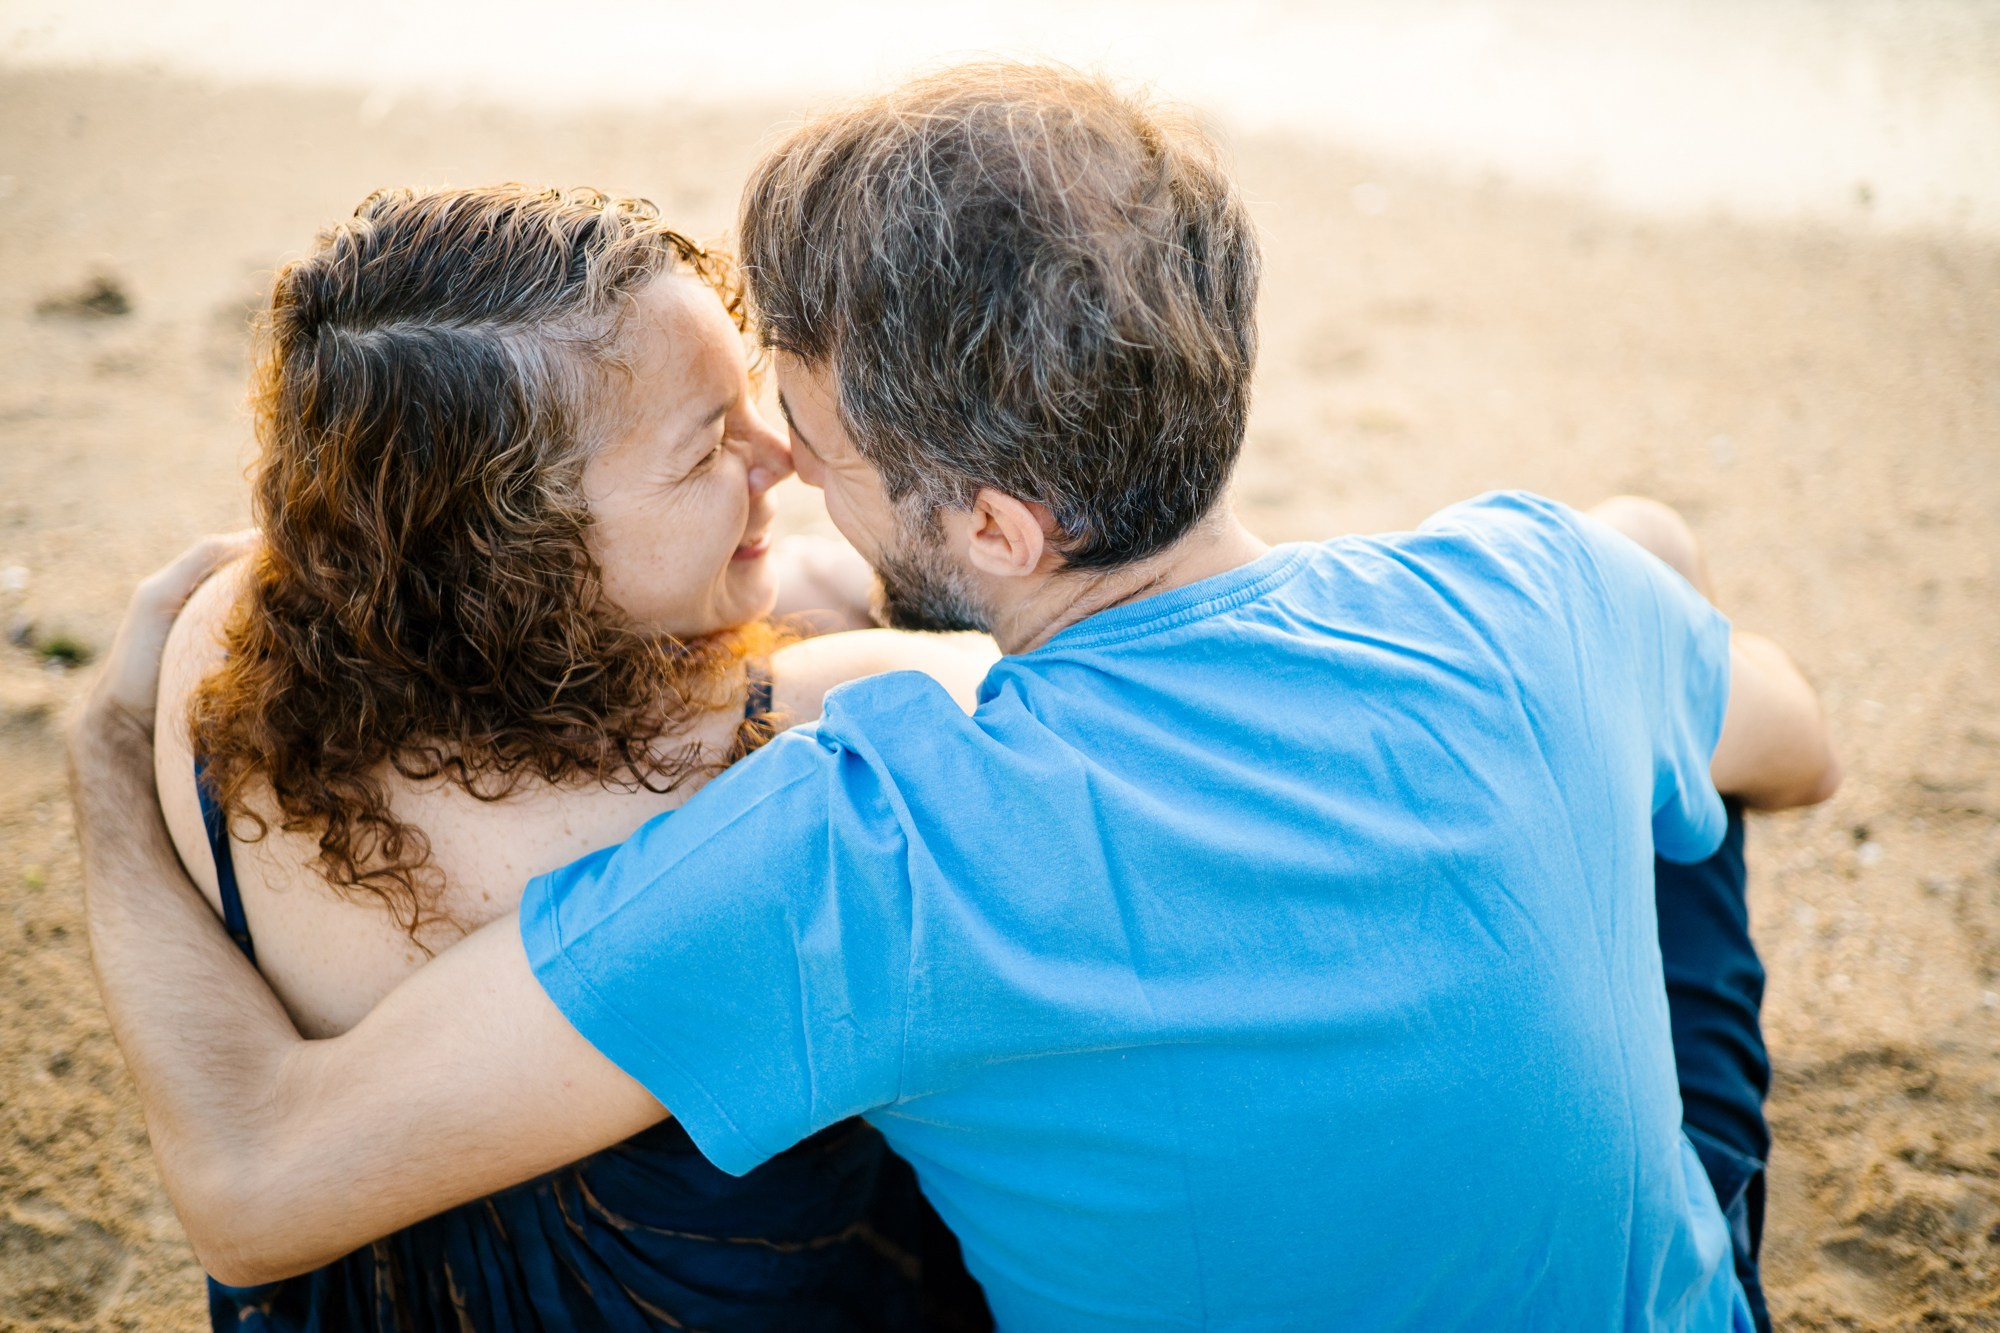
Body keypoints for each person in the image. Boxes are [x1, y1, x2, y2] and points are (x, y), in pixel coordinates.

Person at [69, 65, 1838, 1330]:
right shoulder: (1526, 583)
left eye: (810, 433)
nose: (781, 453)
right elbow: (1795, 741)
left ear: (995, 523)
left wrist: (97, 763)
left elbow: (258, 1185)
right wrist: (1586, 648)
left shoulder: (869, 827)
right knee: (1654, 618)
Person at [145, 183, 999, 1330]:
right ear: (521, 551)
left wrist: (102, 758)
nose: (778, 458)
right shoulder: (790, 749)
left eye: (746, 398)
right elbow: (975, 670)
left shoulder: (215, 645)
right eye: (709, 448)